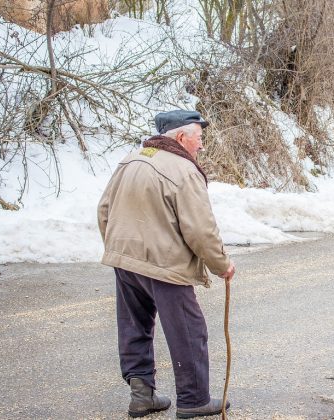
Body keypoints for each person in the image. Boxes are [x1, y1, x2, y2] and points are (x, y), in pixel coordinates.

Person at [97, 110, 235, 418]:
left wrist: (118, 247)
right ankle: (194, 400)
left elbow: (104, 209)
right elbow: (200, 229)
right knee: (189, 330)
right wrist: (221, 264)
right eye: (199, 139)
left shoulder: (131, 160)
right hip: (164, 264)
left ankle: (141, 395)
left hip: (125, 258)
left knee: (135, 326)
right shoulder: (184, 170)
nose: (201, 146)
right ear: (182, 137)